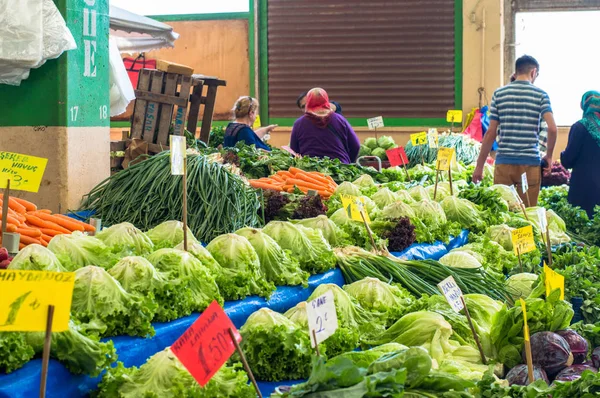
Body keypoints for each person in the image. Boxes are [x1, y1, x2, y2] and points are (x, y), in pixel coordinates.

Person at [473, 55, 558, 205]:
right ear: (533, 72)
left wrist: (479, 166)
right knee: (527, 215)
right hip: (530, 164)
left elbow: (490, 133)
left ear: (516, 71)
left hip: (504, 163)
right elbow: (552, 128)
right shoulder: (541, 95)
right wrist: (549, 156)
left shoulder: (499, 94)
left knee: (504, 214)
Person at [290, 88, 360, 164]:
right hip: (340, 169)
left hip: (311, 171)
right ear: (326, 101)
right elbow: (355, 145)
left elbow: (294, 151)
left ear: (308, 102)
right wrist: (348, 162)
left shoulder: (299, 123)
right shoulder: (340, 120)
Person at [561, 91, 600, 218]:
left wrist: (562, 155)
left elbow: (568, 160)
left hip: (583, 189)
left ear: (584, 105)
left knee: (582, 229)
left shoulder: (579, 127)